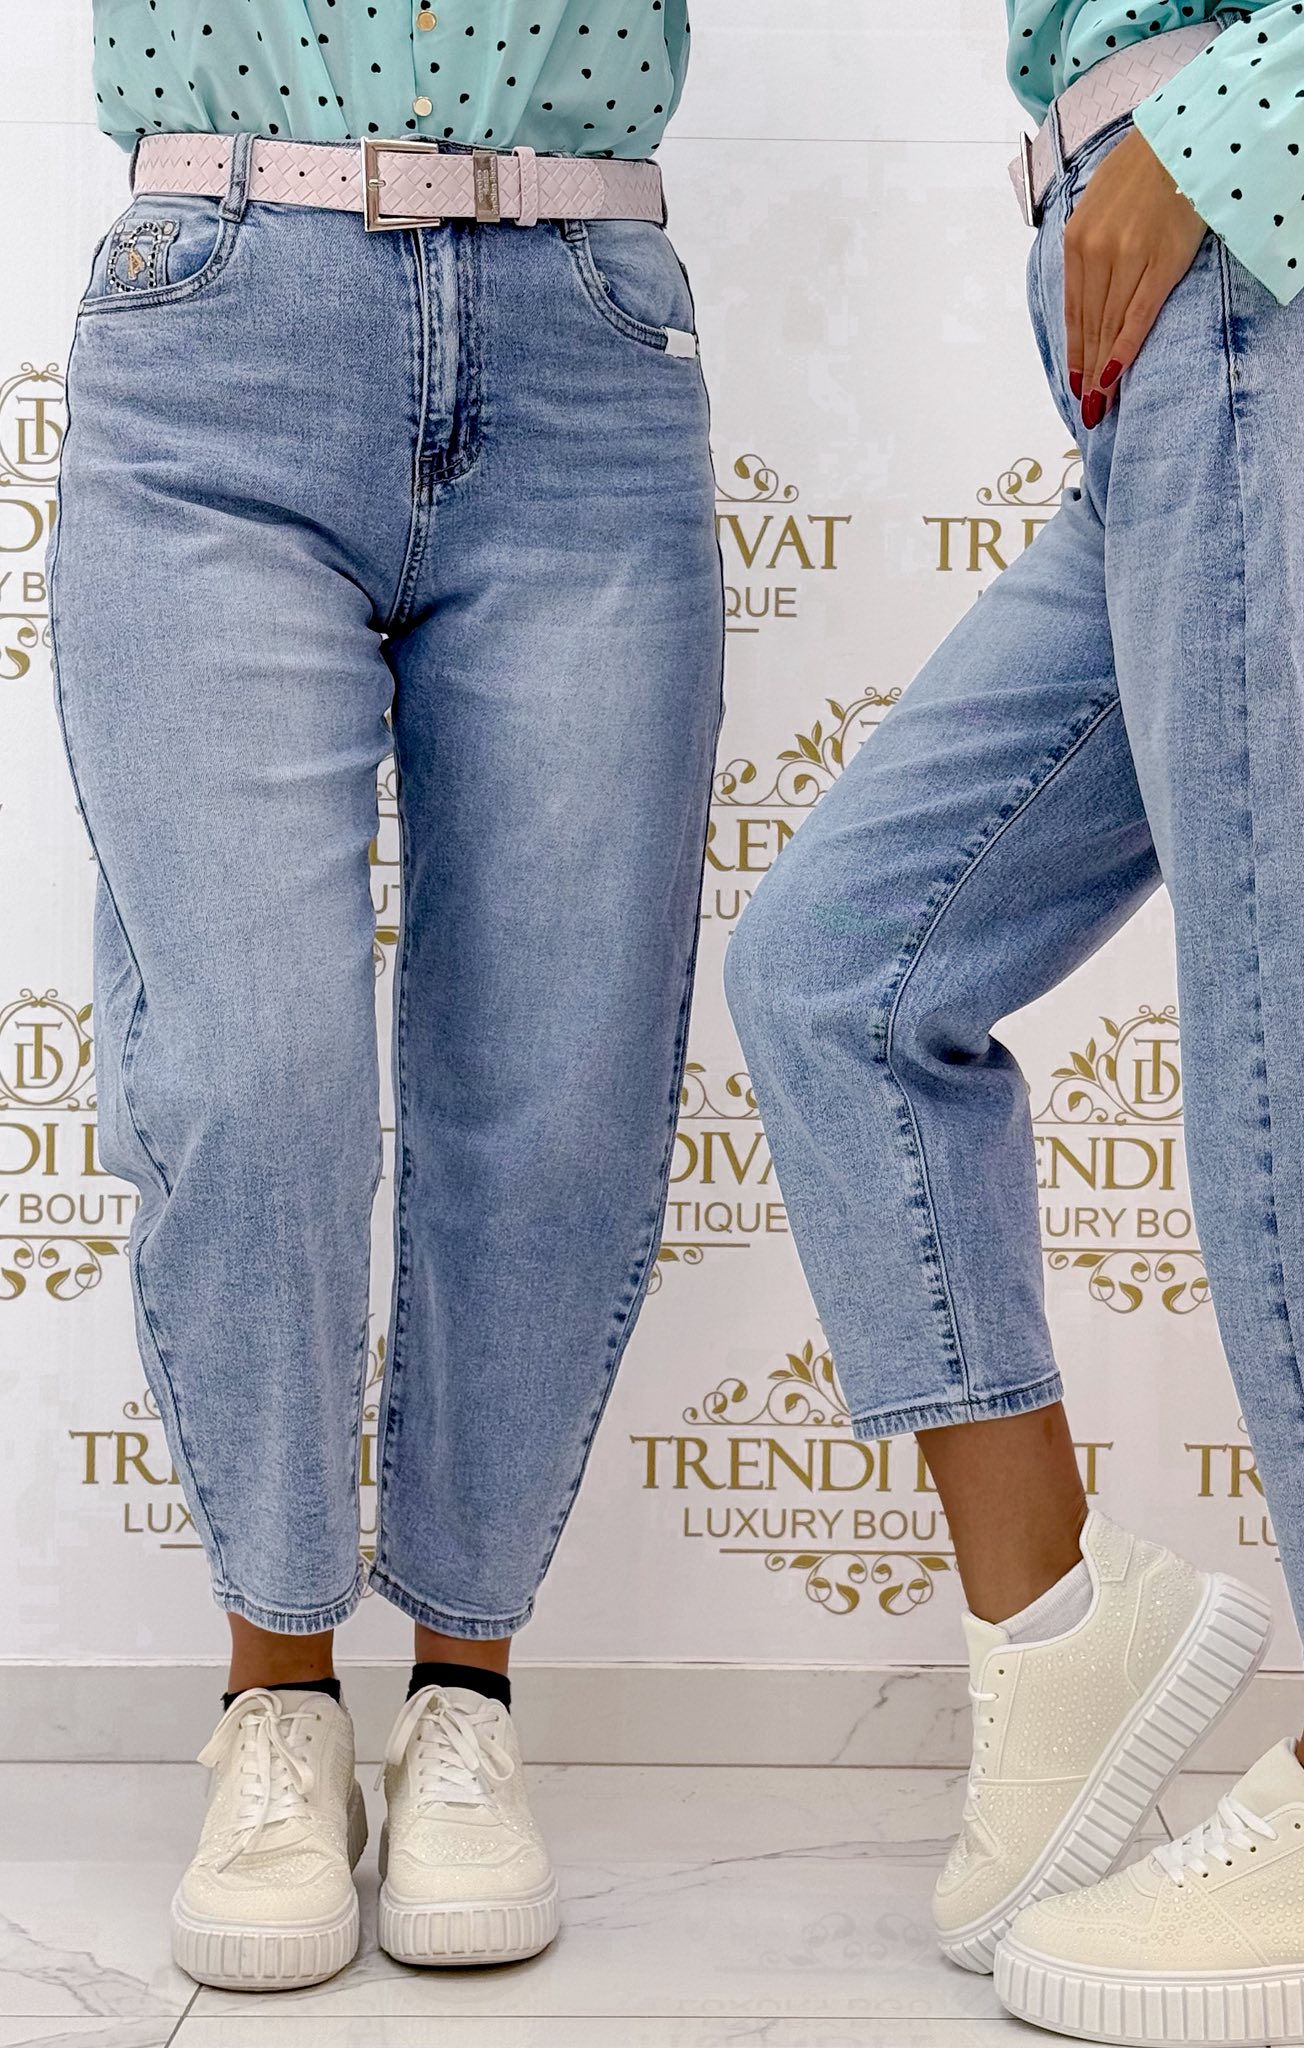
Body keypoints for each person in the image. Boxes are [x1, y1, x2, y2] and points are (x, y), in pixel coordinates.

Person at [725, 1, 1304, 2039]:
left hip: (1291, 302)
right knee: (836, 970)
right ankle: (1061, 1641)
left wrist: (1214, 134)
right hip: (1176, 367)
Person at [50, 1, 721, 1992]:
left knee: (555, 1080)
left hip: (582, 324)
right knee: (253, 1076)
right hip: (218, 324)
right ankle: (274, 1698)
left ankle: (463, 1698)